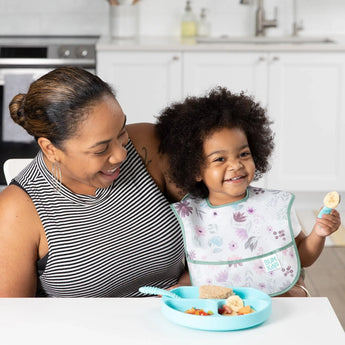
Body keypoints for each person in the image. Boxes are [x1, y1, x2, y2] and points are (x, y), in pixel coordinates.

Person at [0, 66, 189, 297]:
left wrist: (190, 284)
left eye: (121, 133)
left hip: (181, 317)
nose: (121, 154)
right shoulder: (17, 212)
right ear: (50, 149)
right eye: (101, 149)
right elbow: (14, 320)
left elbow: (222, 214)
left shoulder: (146, 146)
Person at [155, 86, 341, 297]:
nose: (236, 165)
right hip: (219, 310)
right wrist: (181, 289)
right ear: (196, 169)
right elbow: (199, 270)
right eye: (220, 159)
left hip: (277, 300)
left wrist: (319, 233)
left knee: (296, 295)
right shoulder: (191, 216)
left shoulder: (274, 205)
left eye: (243, 154)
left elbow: (302, 258)